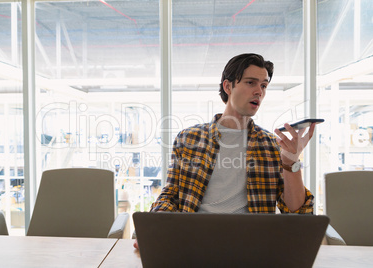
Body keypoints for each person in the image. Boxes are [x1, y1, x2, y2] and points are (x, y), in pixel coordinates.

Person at [133, 53, 315, 249]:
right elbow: (170, 196)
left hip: (252, 246)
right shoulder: (189, 139)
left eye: (263, 85)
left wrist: (291, 163)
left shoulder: (272, 146)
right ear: (228, 86)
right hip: (194, 243)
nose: (259, 92)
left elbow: (297, 215)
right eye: (251, 83)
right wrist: (157, 227)